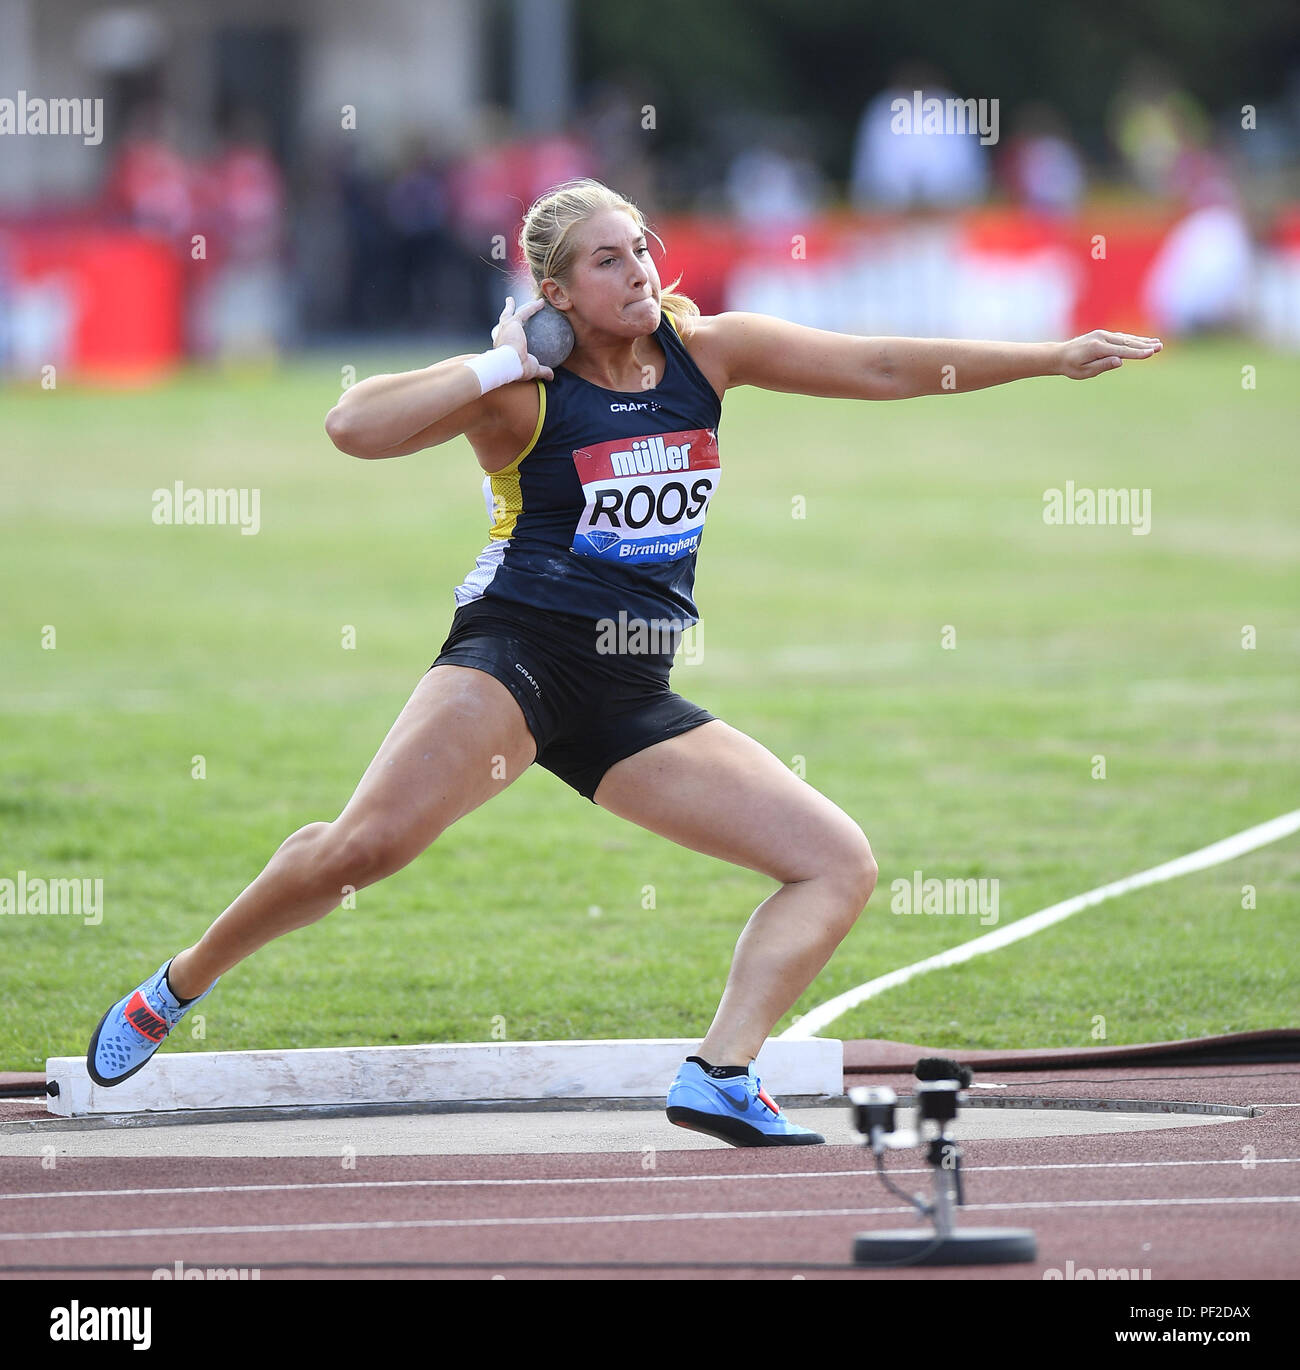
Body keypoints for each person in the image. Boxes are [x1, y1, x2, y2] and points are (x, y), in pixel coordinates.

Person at [86, 177, 1162, 1147]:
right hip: (515, 659)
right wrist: (506, 356)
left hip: (630, 688)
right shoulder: (521, 393)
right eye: (608, 258)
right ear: (553, 288)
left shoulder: (711, 351)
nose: (639, 268)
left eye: (642, 246)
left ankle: (720, 1073)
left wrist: (1051, 358)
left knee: (835, 860)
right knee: (364, 847)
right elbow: (350, 426)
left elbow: (882, 365)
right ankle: (175, 986)